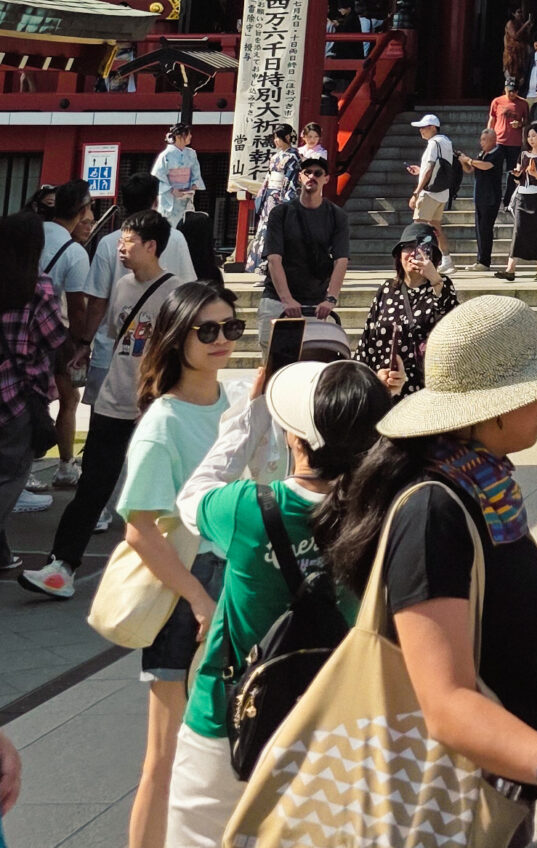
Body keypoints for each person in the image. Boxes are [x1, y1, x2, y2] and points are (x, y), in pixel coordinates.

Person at [315, 296, 537, 839]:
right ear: (492, 404)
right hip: (449, 808)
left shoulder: (487, 488)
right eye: (536, 386)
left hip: (495, 794)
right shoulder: (434, 511)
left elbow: (508, 608)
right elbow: (447, 703)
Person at [164, 358, 391, 848]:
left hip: (228, 716)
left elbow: (192, 498)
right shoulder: (385, 510)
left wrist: (250, 418)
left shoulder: (249, 508)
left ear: (296, 439)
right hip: (331, 721)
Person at [116, 280, 248, 848]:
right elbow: (139, 528)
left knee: (225, 750)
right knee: (166, 755)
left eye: (232, 328)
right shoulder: (164, 421)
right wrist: (197, 597)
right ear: (178, 337)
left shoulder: (234, 402)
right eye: (208, 330)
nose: (222, 340)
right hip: (185, 595)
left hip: (237, 585)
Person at [24, 210, 182, 600]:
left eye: (128, 242)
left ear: (152, 246)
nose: (120, 248)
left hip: (153, 409)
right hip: (113, 401)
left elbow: (177, 355)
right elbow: (119, 338)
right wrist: (82, 352)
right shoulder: (124, 286)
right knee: (92, 487)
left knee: (162, 494)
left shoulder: (177, 294)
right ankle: (61, 567)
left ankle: (173, 576)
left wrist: (160, 399)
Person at [0, 210, 65, 578]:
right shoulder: (36, 287)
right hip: (19, 396)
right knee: (11, 476)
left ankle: (3, 554)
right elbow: (54, 337)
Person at [38, 178, 102, 483]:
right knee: (67, 398)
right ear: (81, 210)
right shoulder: (74, 253)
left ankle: (25, 469)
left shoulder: (33, 233)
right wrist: (81, 344)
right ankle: (63, 466)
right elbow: (78, 307)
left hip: (12, 330)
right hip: (51, 334)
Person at [360, 223, 460, 398]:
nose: (414, 254)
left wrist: (434, 278)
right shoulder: (387, 289)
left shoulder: (441, 287)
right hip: (384, 385)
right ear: (399, 255)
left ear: (433, 256)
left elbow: (454, 323)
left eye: (422, 248)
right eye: (408, 248)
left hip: (423, 389)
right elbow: (367, 339)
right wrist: (364, 379)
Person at [259, 153, 350, 343]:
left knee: (313, 361)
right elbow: (274, 258)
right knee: (273, 363)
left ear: (326, 179)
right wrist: (286, 299)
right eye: (307, 172)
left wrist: (331, 298)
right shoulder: (281, 213)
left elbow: (341, 260)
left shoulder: (336, 215)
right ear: (300, 176)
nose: (312, 177)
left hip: (315, 301)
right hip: (278, 298)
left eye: (318, 173)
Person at [462, 109, 521, 273]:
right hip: (479, 196)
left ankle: (484, 261)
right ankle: (480, 259)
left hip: (490, 197)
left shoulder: (497, 153)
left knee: (486, 228)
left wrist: (469, 160)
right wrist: (463, 161)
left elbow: (487, 166)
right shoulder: (482, 153)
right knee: (479, 229)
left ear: (493, 140)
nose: (481, 142)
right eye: (481, 139)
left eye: (484, 139)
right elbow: (471, 169)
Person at [505, 123, 537, 281]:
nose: (531, 139)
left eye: (534, 135)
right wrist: (516, 175)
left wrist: (536, 175)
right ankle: (510, 268)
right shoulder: (523, 155)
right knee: (518, 231)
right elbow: (518, 178)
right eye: (528, 136)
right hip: (522, 195)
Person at [244, 132, 299, 272]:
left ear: (287, 138)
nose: (275, 141)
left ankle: (278, 265)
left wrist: (285, 199)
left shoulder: (293, 156)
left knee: (280, 230)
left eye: (278, 138)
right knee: (265, 229)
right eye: (274, 138)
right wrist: (263, 194)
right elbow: (269, 176)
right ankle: (264, 264)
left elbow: (291, 179)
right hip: (270, 195)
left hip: (280, 196)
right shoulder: (275, 157)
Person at [408, 112, 458, 255]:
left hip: (429, 192)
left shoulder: (433, 144)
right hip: (442, 192)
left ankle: (420, 257)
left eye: (424, 127)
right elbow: (436, 167)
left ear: (433, 128)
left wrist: (416, 192)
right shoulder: (446, 142)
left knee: (419, 225)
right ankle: (446, 259)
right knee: (436, 227)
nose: (421, 130)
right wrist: (420, 170)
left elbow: (430, 169)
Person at [151, 126, 204, 230]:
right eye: (188, 134)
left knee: (186, 225)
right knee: (168, 227)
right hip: (170, 196)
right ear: (180, 136)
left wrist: (194, 184)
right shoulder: (165, 155)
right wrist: (171, 189)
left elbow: (196, 172)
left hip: (186, 194)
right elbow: (157, 176)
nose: (190, 136)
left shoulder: (191, 153)